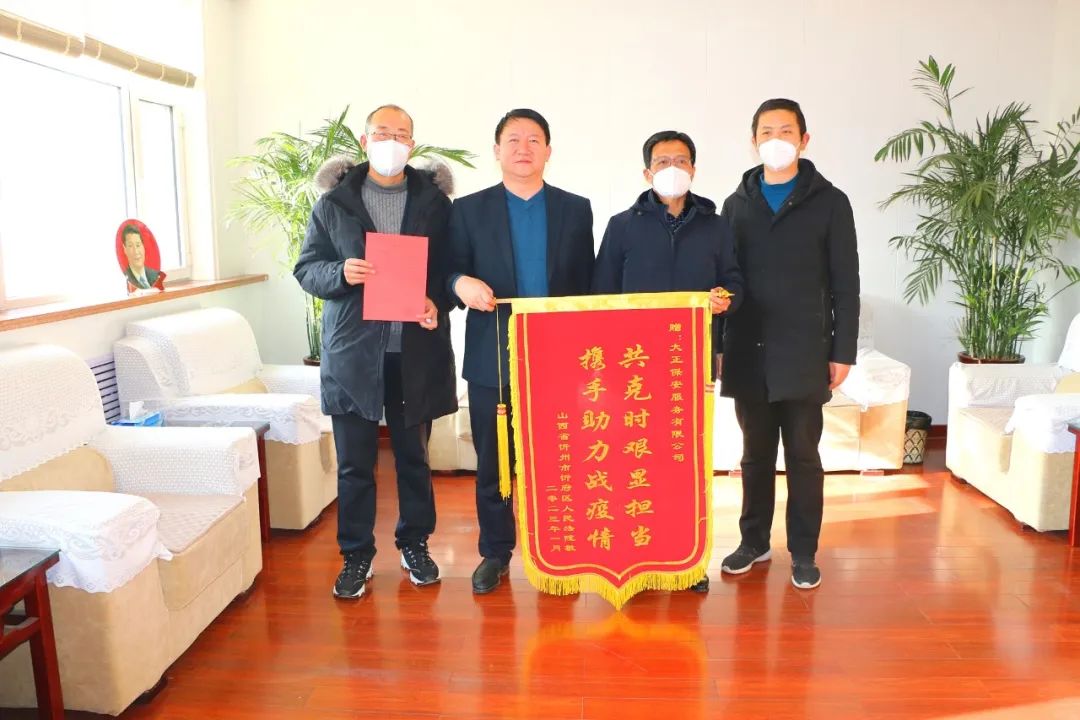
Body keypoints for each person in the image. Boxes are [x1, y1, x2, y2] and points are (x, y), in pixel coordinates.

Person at [294, 104, 457, 600]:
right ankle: (356, 555)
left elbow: (451, 269)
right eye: (383, 133)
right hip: (354, 353)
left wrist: (437, 299)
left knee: (414, 459)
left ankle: (415, 545)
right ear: (365, 142)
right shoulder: (334, 203)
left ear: (413, 144)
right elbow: (307, 269)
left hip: (414, 351)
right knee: (354, 464)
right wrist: (340, 273)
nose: (392, 142)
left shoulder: (435, 203)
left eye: (402, 134)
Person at [448, 108, 595, 594]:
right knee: (494, 462)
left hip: (559, 356)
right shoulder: (468, 210)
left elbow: (590, 285)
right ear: (497, 151)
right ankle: (495, 552)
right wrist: (460, 282)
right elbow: (448, 271)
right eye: (513, 139)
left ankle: (561, 549)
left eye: (534, 139)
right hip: (492, 354)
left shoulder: (576, 209)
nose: (524, 148)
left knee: (560, 457)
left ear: (549, 151)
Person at [592, 129, 744, 593]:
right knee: (634, 461)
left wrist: (725, 300)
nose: (672, 168)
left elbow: (735, 282)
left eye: (681, 160)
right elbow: (601, 294)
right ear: (647, 172)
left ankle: (686, 559)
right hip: (631, 366)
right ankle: (637, 559)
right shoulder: (622, 226)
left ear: (694, 169)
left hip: (690, 362)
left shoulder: (716, 226)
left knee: (684, 462)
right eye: (662, 161)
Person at [718, 98, 860, 590]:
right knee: (754, 455)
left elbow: (846, 284)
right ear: (753, 141)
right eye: (766, 132)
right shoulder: (736, 204)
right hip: (747, 348)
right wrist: (718, 345)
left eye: (786, 131)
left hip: (804, 350)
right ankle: (753, 542)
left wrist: (842, 351)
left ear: (804, 139)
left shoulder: (830, 202)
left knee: (803, 455)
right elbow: (723, 281)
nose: (775, 139)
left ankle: (803, 550)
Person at [121, 226, 163, 290]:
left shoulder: (155, 275)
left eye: (138, 245)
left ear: (143, 247)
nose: (136, 251)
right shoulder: (125, 278)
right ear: (125, 249)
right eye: (130, 246)